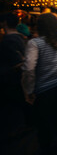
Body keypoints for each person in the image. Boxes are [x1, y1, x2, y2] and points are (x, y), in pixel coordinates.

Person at [21, 13, 57, 154]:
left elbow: (29, 70)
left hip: (44, 92)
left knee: (44, 128)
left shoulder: (35, 43)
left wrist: (29, 91)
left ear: (40, 26)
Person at [0, 13, 28, 150]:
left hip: (10, 79)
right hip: (18, 79)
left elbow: (19, 61)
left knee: (12, 111)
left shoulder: (7, 41)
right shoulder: (21, 38)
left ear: (5, 23)